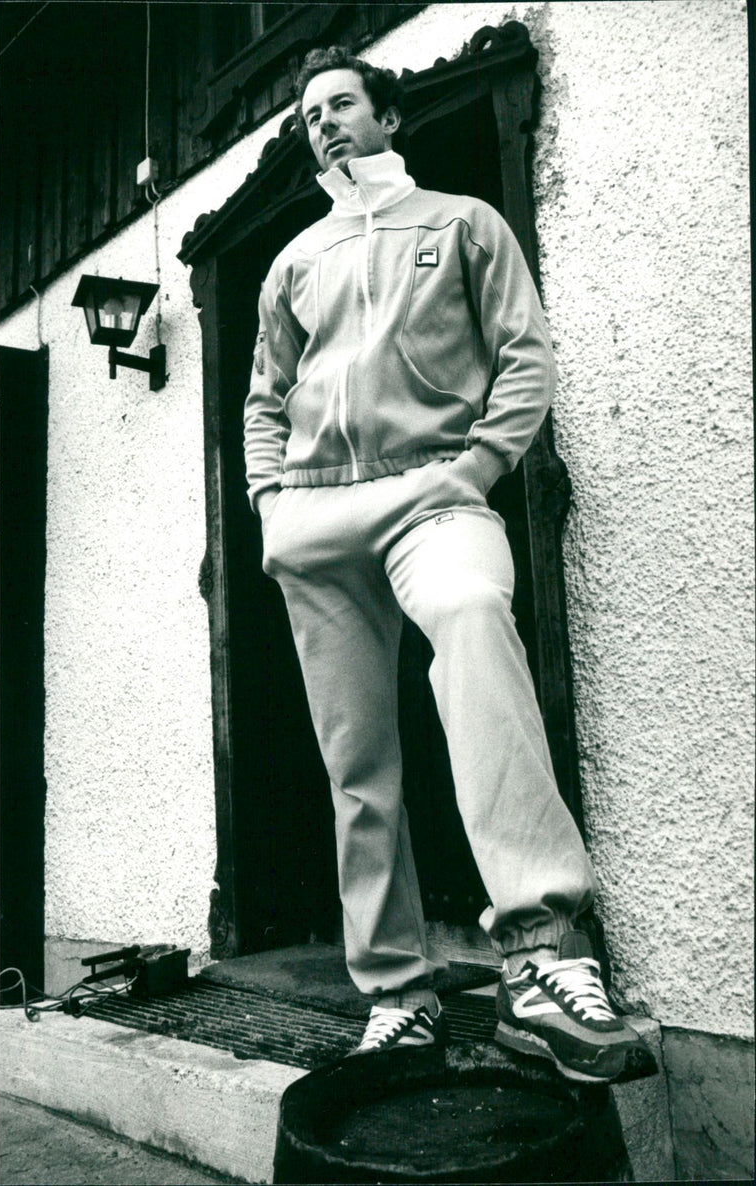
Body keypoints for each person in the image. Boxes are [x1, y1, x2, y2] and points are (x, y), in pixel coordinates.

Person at [244, 46, 640, 1083]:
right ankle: (394, 996)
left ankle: (540, 953)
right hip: (315, 515)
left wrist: (474, 466)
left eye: (340, 104)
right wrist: (267, 501)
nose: (323, 123)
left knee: (470, 617)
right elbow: (261, 399)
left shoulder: (464, 222)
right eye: (308, 116)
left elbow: (524, 355)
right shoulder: (292, 261)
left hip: (431, 489)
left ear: (386, 117)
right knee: (355, 763)